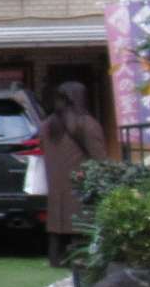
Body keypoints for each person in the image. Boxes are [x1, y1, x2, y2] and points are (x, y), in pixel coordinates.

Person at [40, 80, 105, 267]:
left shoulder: (47, 125)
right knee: (80, 220)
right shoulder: (85, 123)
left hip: (54, 181)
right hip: (79, 181)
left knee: (57, 221)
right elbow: (99, 157)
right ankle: (77, 258)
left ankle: (56, 257)